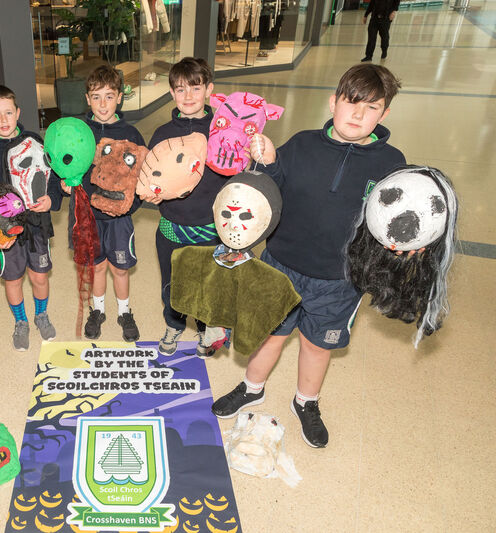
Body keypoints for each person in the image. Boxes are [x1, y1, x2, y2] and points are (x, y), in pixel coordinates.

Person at [211, 64, 406, 448]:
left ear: (384, 115)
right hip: (281, 265)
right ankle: (252, 387)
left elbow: (395, 219)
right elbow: (272, 187)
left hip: (340, 279)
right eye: (351, 103)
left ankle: (307, 402)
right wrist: (268, 160)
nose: (357, 114)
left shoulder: (391, 164)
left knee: (318, 345)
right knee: (270, 335)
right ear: (333, 101)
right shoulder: (301, 143)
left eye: (371, 108)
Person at [141, 57, 226, 357]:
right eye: (180, 89)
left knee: (206, 285)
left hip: (210, 227)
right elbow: (150, 179)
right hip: (171, 226)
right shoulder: (162, 133)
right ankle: (173, 324)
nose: (188, 96)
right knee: (172, 283)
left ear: (209, 89)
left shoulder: (221, 131)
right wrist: (151, 195)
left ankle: (205, 328)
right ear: (171, 93)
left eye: (195, 88)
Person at [0, 84, 62, 351]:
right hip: (5, 231)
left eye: (9, 113)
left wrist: (51, 199)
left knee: (39, 276)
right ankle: (21, 321)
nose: (4, 120)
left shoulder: (34, 140)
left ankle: (42, 315)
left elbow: (53, 177)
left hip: (37, 225)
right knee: (12, 279)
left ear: (18, 112)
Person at [64, 65, 146, 342]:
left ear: (120, 97)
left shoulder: (131, 134)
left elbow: (140, 177)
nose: (102, 103)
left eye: (109, 96)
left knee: (120, 267)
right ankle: (97, 311)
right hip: (87, 214)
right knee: (96, 266)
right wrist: (66, 185)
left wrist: (130, 208)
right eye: (96, 96)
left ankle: (125, 312)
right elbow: (65, 166)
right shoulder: (78, 131)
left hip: (119, 217)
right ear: (87, 99)